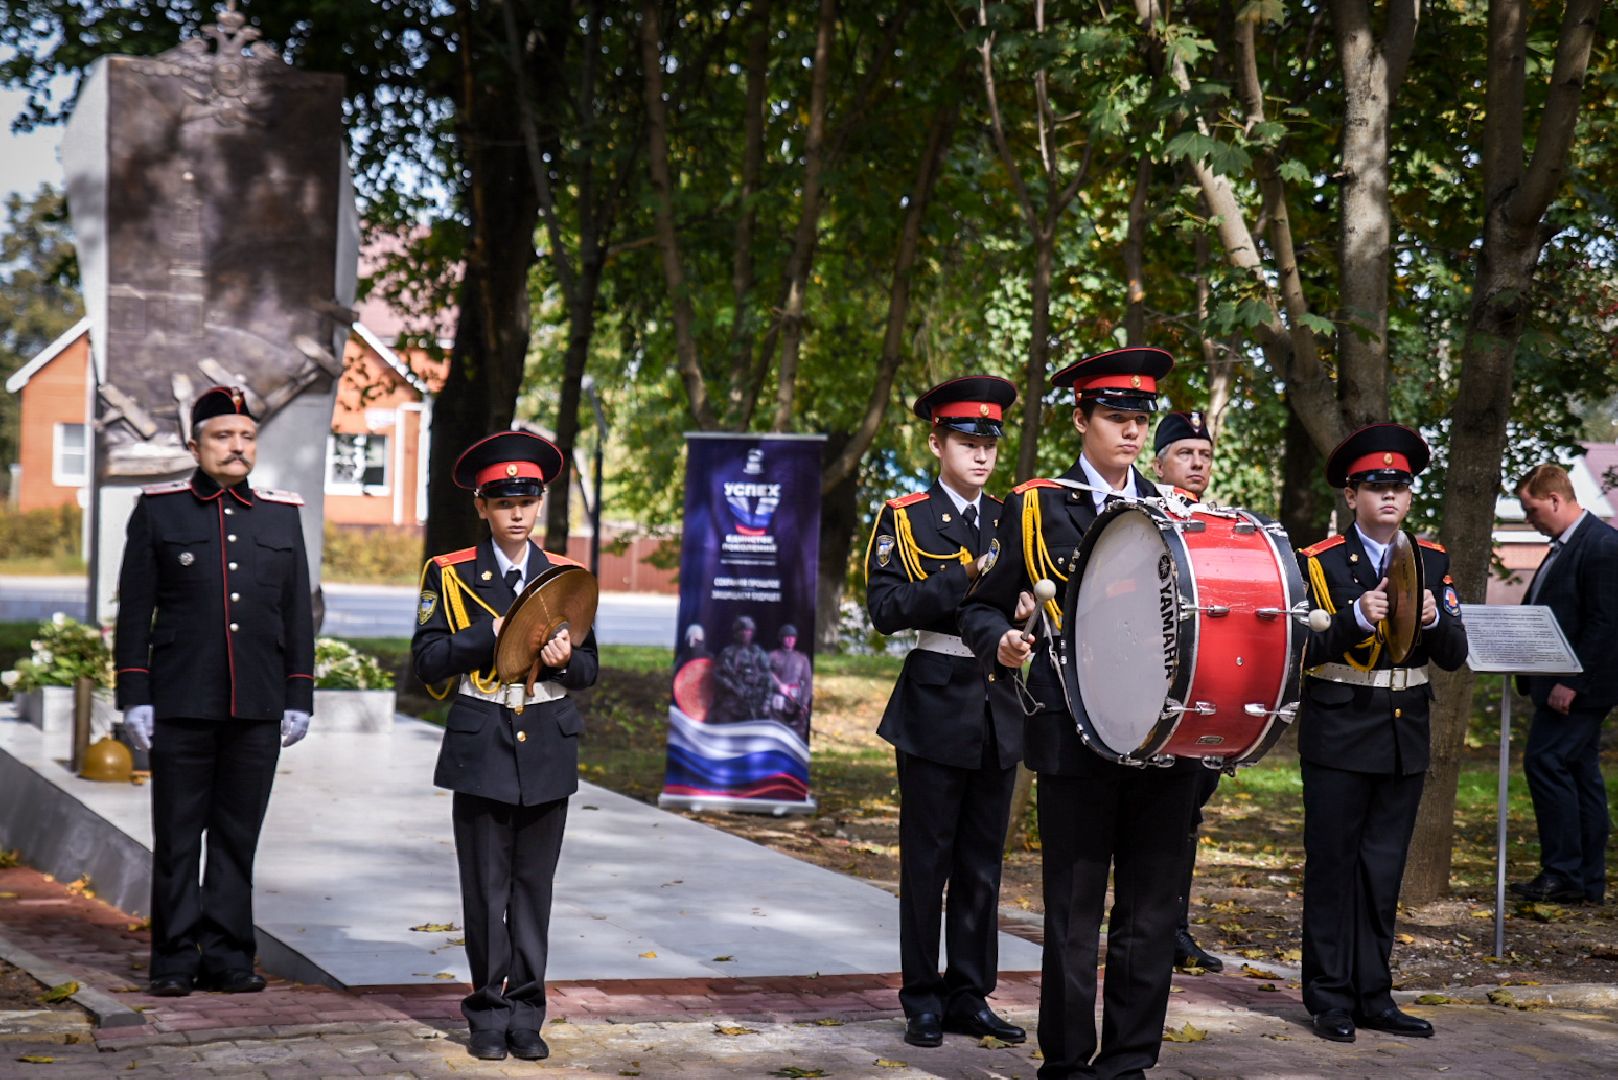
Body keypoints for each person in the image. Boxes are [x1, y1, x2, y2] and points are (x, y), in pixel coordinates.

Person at [959, 348, 1201, 1080]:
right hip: (1075, 733)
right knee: (1072, 913)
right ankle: (1066, 1063)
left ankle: (1128, 1063)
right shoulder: (1036, 504)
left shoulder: (1179, 513)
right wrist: (999, 641)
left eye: (1140, 419)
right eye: (1116, 418)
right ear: (1081, 419)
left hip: (1166, 737)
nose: (1131, 432)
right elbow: (982, 603)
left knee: (1152, 914)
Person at [114, 385, 314, 998]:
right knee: (178, 835)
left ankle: (229, 955)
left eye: (246, 436)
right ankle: (173, 958)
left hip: (255, 705)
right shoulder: (160, 509)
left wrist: (299, 694)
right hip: (181, 702)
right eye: (223, 436)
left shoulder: (281, 515)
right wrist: (134, 694)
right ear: (194, 444)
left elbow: (295, 613)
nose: (237, 447)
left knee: (236, 836)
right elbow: (135, 611)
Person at [411, 430, 599, 1063]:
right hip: (482, 738)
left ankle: (527, 1011)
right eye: (502, 500)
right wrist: (486, 634)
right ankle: (487, 1015)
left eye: (527, 499)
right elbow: (428, 660)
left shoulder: (564, 576)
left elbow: (591, 668)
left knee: (533, 889)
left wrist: (566, 659)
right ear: (482, 506)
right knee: (486, 890)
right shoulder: (452, 573)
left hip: (547, 739)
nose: (516, 512)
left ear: (540, 502)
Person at [865, 375, 1027, 1050]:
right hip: (934, 697)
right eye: (966, 442)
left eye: (989, 443)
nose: (981, 456)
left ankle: (970, 992)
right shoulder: (905, 517)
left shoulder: (1012, 517)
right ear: (936, 442)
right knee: (926, 862)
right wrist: (956, 580)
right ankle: (921, 997)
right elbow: (884, 610)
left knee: (983, 862)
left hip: (998, 701)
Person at [1295, 423, 1468, 1044]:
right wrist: (1350, 618)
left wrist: (1432, 620)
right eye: (1376, 486)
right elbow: (1297, 650)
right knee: (1334, 869)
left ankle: (1375, 994)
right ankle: (1330, 998)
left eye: (1399, 486)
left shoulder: (1433, 560)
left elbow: (1454, 652)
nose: (1390, 496)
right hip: (1340, 734)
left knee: (1382, 871)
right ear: (1352, 496)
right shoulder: (1316, 562)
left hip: (1403, 736)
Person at [1509, 463, 1618, 905]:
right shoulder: (1567, 545)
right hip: (1564, 684)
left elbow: (1607, 623)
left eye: (1531, 509)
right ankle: (1587, 881)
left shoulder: (1602, 546)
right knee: (1579, 771)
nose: (1529, 519)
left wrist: (1572, 681)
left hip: (1579, 688)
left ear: (1556, 500)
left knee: (1546, 762)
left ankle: (1564, 873)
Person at [1147, 408, 1226, 973]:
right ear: (1159, 462)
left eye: (1203, 454)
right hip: (1147, 693)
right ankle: (1144, 925)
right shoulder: (1142, 515)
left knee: (1186, 815)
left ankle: (1174, 928)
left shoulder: (1222, 525)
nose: (1196, 463)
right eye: (1184, 453)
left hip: (1205, 693)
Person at [709, 615, 772, 723]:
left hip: (753, 703)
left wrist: (767, 702)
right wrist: (728, 684)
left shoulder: (758, 653)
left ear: (752, 633)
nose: (744, 634)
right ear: (736, 633)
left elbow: (767, 679)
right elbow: (716, 674)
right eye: (741, 630)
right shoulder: (728, 653)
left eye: (747, 631)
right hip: (731, 703)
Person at [1151, 409, 1213, 502]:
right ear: (1159, 467)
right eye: (1185, 453)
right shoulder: (1136, 515)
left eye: (1205, 455)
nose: (1198, 463)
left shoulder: (1224, 516)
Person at [767, 623, 813, 738]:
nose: (789, 640)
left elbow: (808, 683)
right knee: (776, 734)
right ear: (781, 639)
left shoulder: (802, 658)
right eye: (786, 637)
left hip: (795, 701)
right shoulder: (772, 656)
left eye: (792, 637)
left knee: (796, 737)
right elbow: (764, 674)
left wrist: (804, 703)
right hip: (776, 703)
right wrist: (778, 686)